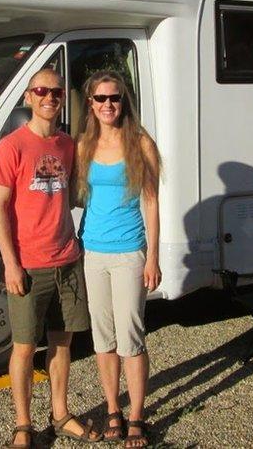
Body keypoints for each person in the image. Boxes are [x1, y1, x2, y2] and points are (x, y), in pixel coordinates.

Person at [0, 69, 102, 449]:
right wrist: (10, 263)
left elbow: (75, 194)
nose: (49, 97)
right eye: (41, 90)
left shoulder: (67, 146)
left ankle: (60, 414)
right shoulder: (11, 146)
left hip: (67, 260)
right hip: (28, 264)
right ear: (28, 97)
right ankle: (23, 425)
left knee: (61, 343)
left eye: (55, 91)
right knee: (23, 347)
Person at [74, 70, 161, 448]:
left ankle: (138, 415)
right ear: (90, 105)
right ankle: (113, 409)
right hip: (93, 252)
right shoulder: (83, 146)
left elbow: (152, 202)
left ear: (124, 102)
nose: (108, 105)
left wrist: (152, 257)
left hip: (129, 253)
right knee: (104, 339)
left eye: (115, 98)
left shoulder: (141, 143)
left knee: (131, 339)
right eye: (100, 99)